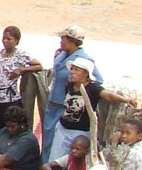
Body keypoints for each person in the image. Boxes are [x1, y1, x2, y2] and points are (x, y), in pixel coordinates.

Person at [47, 57, 136, 160]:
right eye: (72, 69)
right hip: (63, 129)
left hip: (80, 132)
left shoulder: (92, 88)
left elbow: (108, 95)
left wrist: (125, 100)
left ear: (86, 74)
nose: (72, 72)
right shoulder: (70, 86)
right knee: (56, 159)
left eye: (76, 70)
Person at [44, 24, 105, 162]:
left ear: (71, 41)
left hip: (66, 108)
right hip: (53, 105)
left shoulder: (83, 59)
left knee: (61, 146)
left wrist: (76, 86)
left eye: (63, 38)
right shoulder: (62, 55)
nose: (60, 41)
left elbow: (97, 80)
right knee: (48, 141)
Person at [0, 26, 42, 137]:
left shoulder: (21, 54)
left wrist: (21, 69)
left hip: (7, 99)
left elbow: (39, 66)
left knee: (6, 130)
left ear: (16, 41)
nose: (5, 41)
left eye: (9, 39)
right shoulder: (0, 53)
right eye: (4, 38)